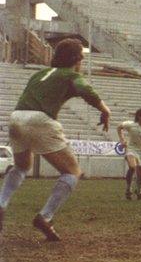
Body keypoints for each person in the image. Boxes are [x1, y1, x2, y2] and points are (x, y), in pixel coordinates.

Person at [0, 38, 110, 241]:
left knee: (22, 166)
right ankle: (45, 216)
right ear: (76, 59)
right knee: (72, 171)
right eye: (82, 58)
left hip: (16, 117)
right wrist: (104, 109)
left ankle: (2, 201)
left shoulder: (39, 74)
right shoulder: (70, 74)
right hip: (40, 119)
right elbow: (85, 89)